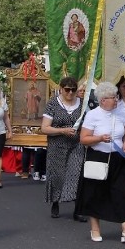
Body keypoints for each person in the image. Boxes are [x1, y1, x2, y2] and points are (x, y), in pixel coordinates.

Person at [78, 82, 125, 243]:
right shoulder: (93, 115)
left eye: (116, 97)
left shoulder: (120, 114)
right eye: (113, 97)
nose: (116, 100)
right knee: (96, 194)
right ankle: (95, 229)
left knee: (122, 193)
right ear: (103, 100)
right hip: (98, 158)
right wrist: (99, 138)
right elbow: (83, 139)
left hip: (117, 159)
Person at [41, 77, 86, 221]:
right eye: (67, 90)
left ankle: (77, 209)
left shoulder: (83, 105)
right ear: (61, 89)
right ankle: (55, 202)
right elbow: (45, 128)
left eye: (73, 90)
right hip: (57, 145)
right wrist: (62, 131)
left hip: (76, 145)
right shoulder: (53, 103)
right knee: (57, 175)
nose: (70, 93)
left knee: (76, 174)